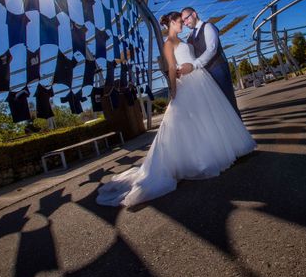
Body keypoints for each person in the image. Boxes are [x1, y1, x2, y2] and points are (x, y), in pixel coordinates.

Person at [96, 12, 256, 207]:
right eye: (180, 21)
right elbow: (172, 68)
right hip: (187, 85)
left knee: (208, 117)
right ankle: (203, 159)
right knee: (192, 122)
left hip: (200, 80)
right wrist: (173, 90)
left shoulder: (184, 38)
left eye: (183, 20)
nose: (183, 24)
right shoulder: (168, 43)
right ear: (171, 23)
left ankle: (219, 151)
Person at [178, 7, 239, 114]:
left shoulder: (208, 27)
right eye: (183, 22)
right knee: (219, 106)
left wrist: (193, 66)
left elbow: (212, 49)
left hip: (218, 69)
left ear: (194, 14)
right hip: (206, 75)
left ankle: (239, 129)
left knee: (229, 103)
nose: (185, 23)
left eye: (186, 19)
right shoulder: (190, 36)